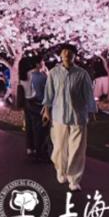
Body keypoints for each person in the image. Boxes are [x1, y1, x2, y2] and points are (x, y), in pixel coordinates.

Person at [42, 44, 97, 191]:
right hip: (58, 116)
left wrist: (92, 111)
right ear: (60, 55)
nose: (67, 54)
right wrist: (46, 110)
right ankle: (60, 169)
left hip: (78, 115)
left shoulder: (82, 74)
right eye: (64, 52)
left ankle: (74, 179)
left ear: (74, 55)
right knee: (59, 146)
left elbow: (88, 94)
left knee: (77, 148)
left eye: (70, 52)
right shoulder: (54, 73)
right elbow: (49, 93)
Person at [19, 57, 49, 161]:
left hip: (27, 102)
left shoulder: (24, 74)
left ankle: (30, 148)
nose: (44, 64)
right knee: (40, 128)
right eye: (42, 62)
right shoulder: (39, 75)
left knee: (30, 126)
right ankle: (39, 151)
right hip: (36, 102)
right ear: (37, 64)